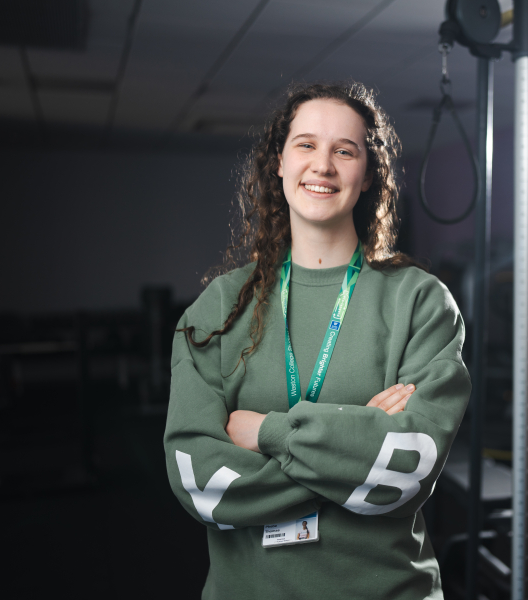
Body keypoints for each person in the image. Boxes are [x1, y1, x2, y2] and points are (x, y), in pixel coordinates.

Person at [164, 81, 471, 600]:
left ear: (368, 172)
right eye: (306, 144)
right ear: (279, 162)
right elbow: (200, 483)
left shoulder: (418, 301)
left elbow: (405, 471)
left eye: (344, 150)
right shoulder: (218, 307)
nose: (322, 165)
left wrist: (266, 434)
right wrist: (354, 446)